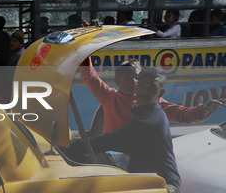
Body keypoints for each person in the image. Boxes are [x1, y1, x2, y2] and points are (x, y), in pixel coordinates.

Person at [80, 56, 223, 134]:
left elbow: (183, 115)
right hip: (112, 160)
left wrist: (205, 107)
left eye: (138, 77)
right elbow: (89, 76)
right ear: (118, 80)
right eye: (129, 77)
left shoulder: (153, 101)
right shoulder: (108, 96)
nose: (135, 81)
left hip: (139, 161)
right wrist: (85, 51)